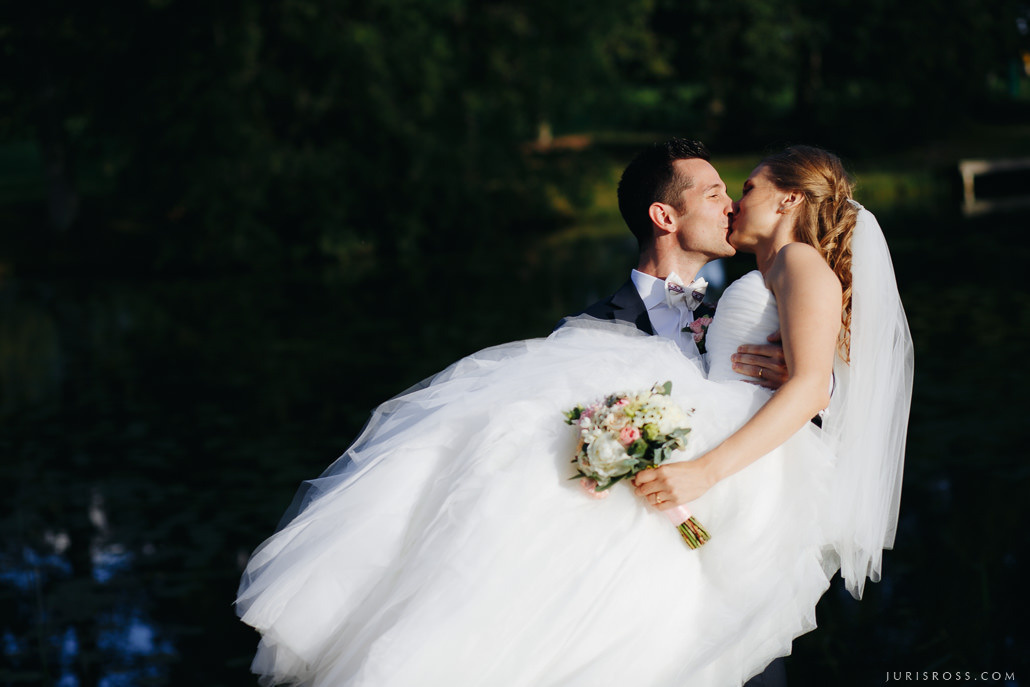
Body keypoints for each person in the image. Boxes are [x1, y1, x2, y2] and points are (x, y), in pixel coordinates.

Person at [235, 143, 913, 687]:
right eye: (715, 192)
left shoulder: (760, 291)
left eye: (742, 188)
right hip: (622, 576)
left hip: (733, 544)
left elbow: (809, 384)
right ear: (664, 217)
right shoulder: (587, 339)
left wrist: (811, 387)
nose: (734, 200)